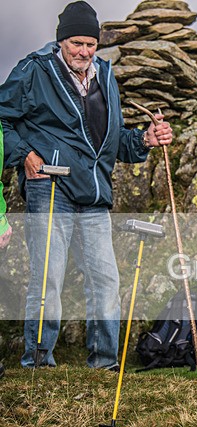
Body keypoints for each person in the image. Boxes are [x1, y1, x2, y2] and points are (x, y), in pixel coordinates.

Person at [0, 1, 173, 369]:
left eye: (90, 44)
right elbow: (2, 119)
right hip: (49, 187)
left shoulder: (105, 76)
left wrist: (144, 140)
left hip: (94, 195)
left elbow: (111, 143)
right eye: (76, 43)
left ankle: (104, 364)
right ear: (61, 41)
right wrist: (25, 155)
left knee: (105, 280)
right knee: (48, 277)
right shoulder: (34, 71)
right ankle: (38, 361)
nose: (84, 51)